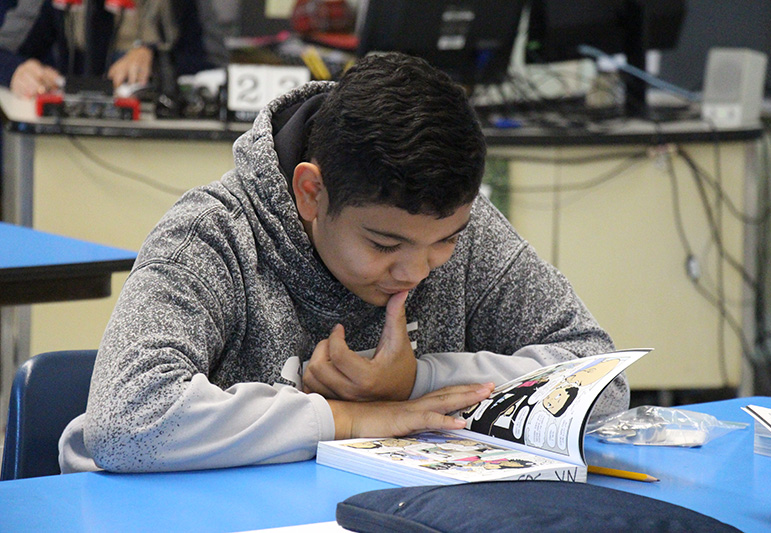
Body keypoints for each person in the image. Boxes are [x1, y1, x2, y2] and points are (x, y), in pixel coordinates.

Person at [58, 52, 629, 473]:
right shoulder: (212, 237)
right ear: (312, 193)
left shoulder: (457, 222)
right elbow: (124, 420)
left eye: (444, 242)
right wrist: (349, 418)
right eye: (384, 246)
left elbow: (599, 377)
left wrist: (414, 383)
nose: (416, 271)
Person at [0, 0, 226, 98]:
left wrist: (156, 60)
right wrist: (16, 71)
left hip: (161, 149)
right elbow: (4, 49)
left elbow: (216, 62)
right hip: (69, 147)